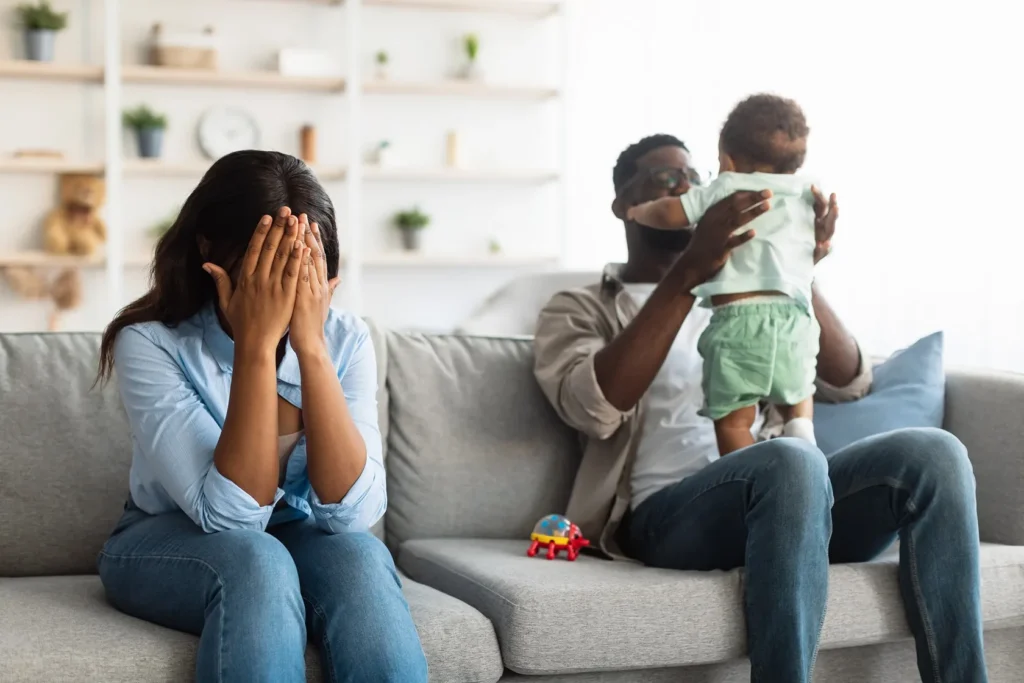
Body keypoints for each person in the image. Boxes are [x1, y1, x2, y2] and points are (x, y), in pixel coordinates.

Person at [533, 134, 987, 682]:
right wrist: (688, 272)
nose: (688, 186)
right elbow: (594, 407)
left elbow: (849, 382)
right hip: (668, 516)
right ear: (623, 205)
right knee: (791, 460)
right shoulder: (578, 308)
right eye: (665, 179)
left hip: (792, 501)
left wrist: (793, 265)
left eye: (695, 176)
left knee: (935, 453)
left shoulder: (753, 289)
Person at [95, 151, 428, 683]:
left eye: (300, 269)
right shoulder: (151, 343)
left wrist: (312, 349)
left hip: (292, 530)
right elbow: (229, 518)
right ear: (209, 247)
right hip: (164, 536)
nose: (286, 288)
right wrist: (256, 346)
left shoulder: (346, 338)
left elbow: (350, 512)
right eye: (266, 268)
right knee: (256, 560)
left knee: (362, 558)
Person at [628, 95, 820, 454]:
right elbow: (811, 244)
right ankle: (801, 428)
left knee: (734, 419)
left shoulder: (730, 188)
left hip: (739, 321)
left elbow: (671, 214)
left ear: (728, 160)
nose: (686, 187)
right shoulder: (807, 194)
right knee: (799, 392)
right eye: (666, 177)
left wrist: (640, 211)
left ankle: (750, 473)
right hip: (796, 321)